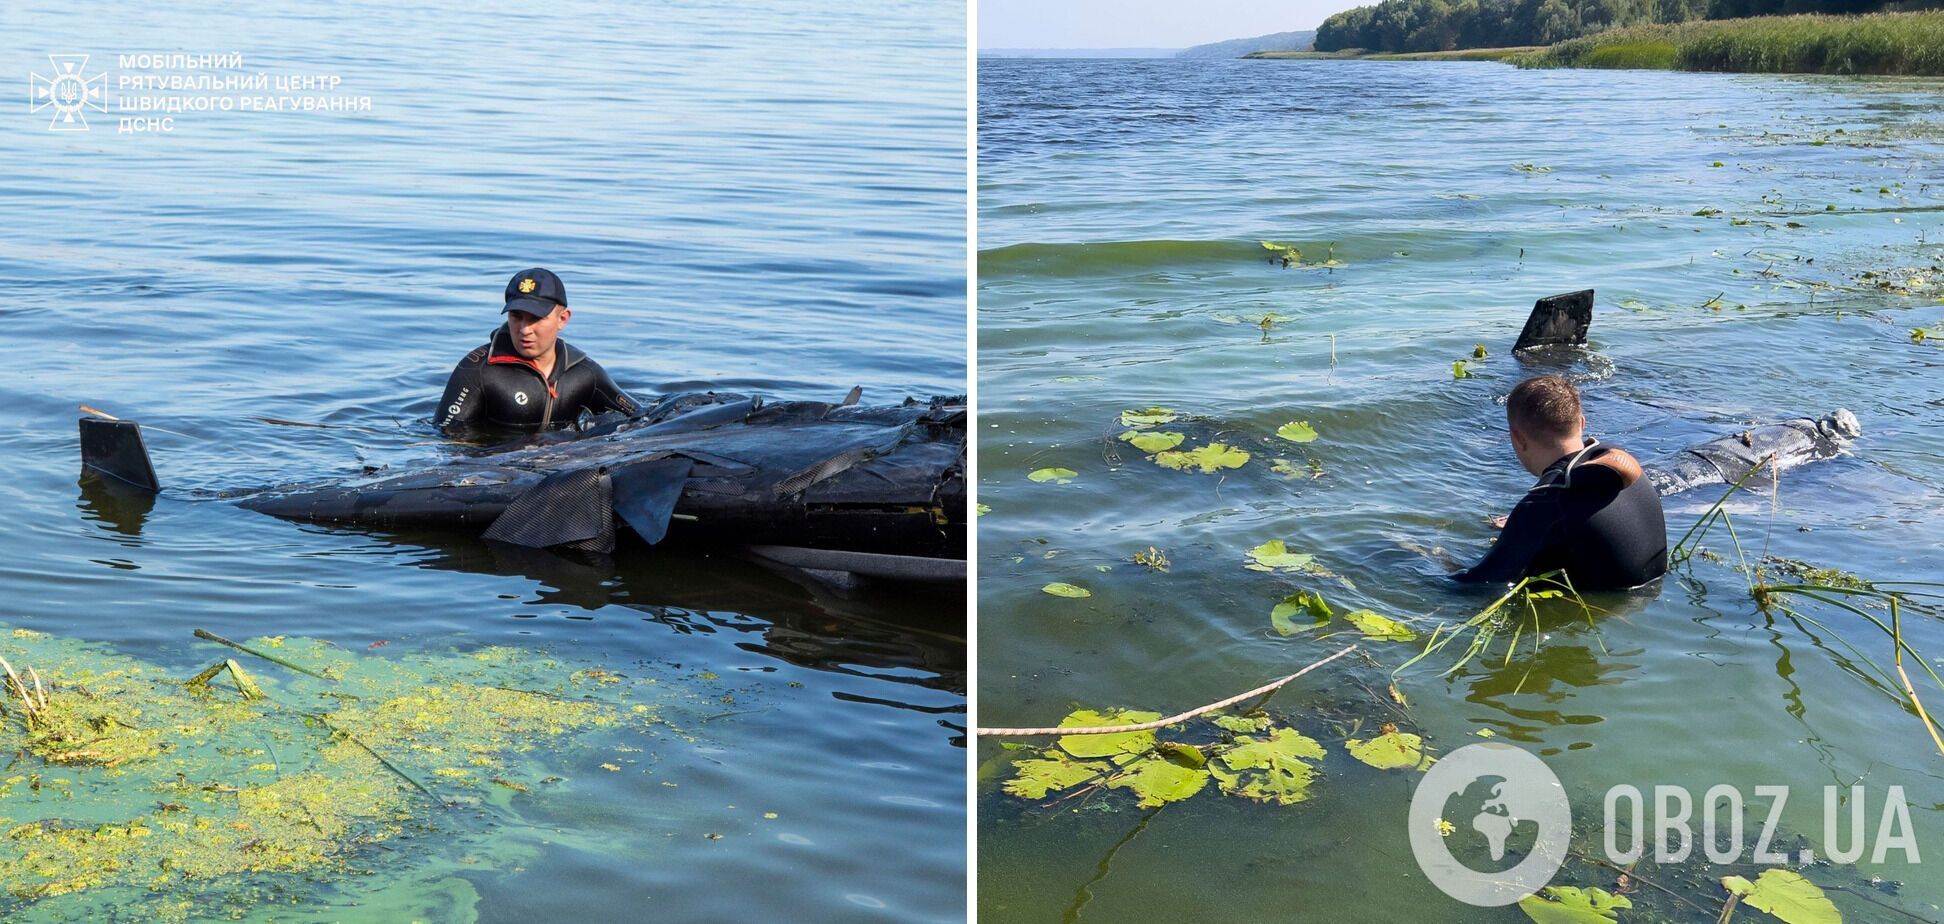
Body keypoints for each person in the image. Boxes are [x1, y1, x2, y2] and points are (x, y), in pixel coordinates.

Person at [1453, 374, 1666, 590]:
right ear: (1582, 423)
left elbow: (1479, 584)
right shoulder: (1613, 459)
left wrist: (1421, 560)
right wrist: (1535, 524)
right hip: (1654, 592)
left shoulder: (1544, 503)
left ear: (1517, 438)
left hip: (1605, 605)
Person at [435, 267, 641, 434]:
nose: (525, 329)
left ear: (563, 319)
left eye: (535, 319)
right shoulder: (478, 369)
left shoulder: (585, 373)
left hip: (564, 467)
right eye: (516, 316)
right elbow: (446, 436)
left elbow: (642, 417)